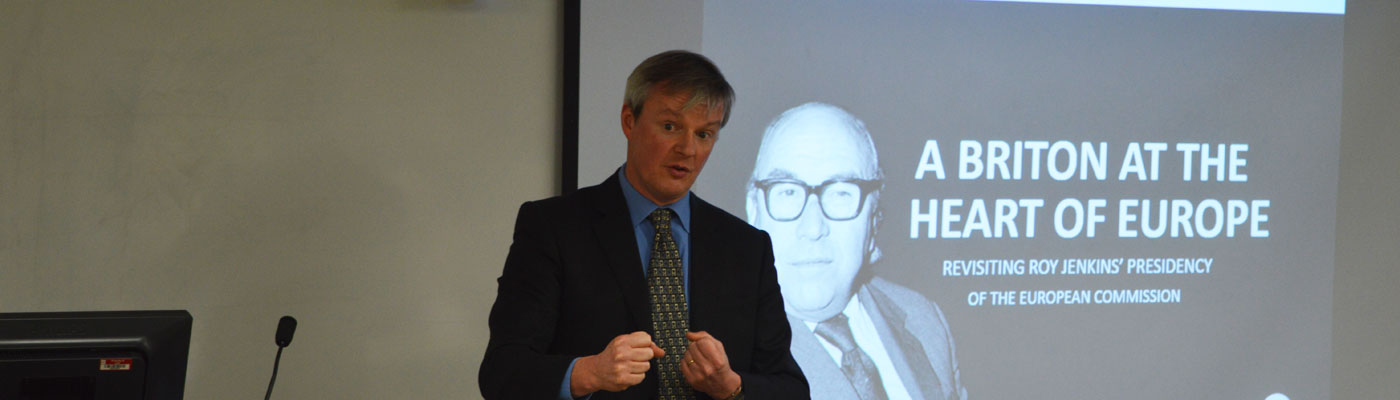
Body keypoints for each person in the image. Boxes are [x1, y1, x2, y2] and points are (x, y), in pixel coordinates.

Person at [480, 50, 808, 400]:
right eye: (670, 127)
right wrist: (589, 372)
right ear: (629, 121)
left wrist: (733, 387)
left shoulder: (746, 247)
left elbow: (790, 389)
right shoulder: (554, 228)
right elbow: (503, 373)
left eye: (704, 134)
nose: (688, 149)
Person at [745, 103, 966, 400]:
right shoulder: (719, 348)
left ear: (874, 218)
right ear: (753, 209)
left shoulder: (923, 319)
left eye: (841, 193)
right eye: (787, 191)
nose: (813, 227)